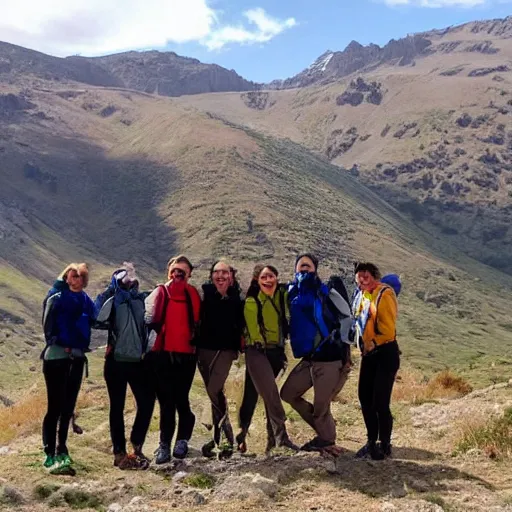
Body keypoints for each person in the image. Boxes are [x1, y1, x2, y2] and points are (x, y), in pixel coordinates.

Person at [280, 254, 352, 455]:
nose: (304, 269)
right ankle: (325, 431)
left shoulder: (325, 292)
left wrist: (347, 355)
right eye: (301, 266)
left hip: (329, 359)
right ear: (295, 269)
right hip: (308, 359)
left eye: (308, 266)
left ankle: (326, 439)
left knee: (321, 406)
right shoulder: (291, 293)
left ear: (315, 269)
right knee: (287, 394)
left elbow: (346, 319)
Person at [94, 262, 154, 469]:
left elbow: (152, 320)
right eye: (122, 277)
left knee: (147, 402)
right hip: (115, 362)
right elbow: (97, 318)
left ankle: (136, 445)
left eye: (129, 276)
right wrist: (112, 290)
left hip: (138, 361)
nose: (127, 279)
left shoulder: (142, 299)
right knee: (117, 407)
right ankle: (119, 453)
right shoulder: (112, 299)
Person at [144, 255, 201, 464]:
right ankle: (165, 444)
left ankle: (183, 439)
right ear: (168, 272)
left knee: (181, 399)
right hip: (161, 354)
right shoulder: (160, 292)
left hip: (187, 355)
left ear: (189, 274)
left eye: (182, 271)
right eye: (175, 270)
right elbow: (148, 319)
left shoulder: (193, 294)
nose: (178, 274)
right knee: (166, 402)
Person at [237, 265, 299, 454]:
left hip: (276, 352)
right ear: (257, 280)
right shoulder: (252, 301)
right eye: (264, 277)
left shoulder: (282, 297)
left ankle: (256, 440)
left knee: (254, 394)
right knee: (271, 394)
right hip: (257, 353)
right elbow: (253, 329)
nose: (268, 280)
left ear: (277, 278)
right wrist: (257, 342)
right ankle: (282, 438)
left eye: (271, 276)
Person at [41, 263, 96, 474]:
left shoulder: (86, 301)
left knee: (67, 407)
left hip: (77, 358)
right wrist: (57, 342)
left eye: (78, 276)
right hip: (56, 357)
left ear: (83, 279)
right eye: (71, 276)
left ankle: (62, 447)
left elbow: (97, 318)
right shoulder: (56, 298)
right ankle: (49, 452)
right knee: (54, 407)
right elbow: (47, 325)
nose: (73, 280)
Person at [196, 260, 245, 459]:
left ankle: (224, 437)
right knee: (215, 396)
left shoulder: (238, 299)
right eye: (217, 272)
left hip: (226, 351)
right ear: (211, 276)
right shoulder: (203, 295)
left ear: (231, 276)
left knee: (214, 390)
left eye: (225, 272)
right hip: (203, 351)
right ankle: (221, 439)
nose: (221, 276)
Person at [352, 262, 400, 460]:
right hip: (369, 353)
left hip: (385, 351)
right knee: (365, 397)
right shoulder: (362, 296)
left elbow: (388, 329)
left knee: (381, 400)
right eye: (359, 276)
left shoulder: (384, 294)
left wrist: (373, 342)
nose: (362, 279)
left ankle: (384, 443)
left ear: (375, 276)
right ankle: (371, 441)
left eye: (366, 275)